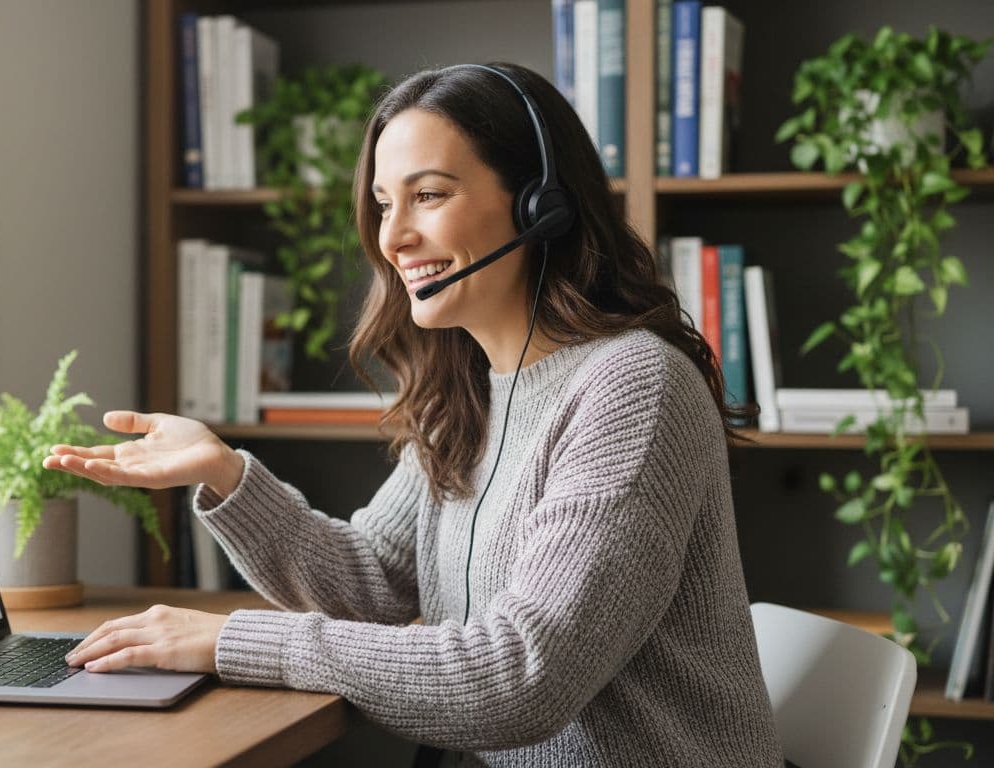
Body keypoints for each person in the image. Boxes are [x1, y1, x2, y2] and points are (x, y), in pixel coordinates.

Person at [44, 62, 782, 766]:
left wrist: (232, 640)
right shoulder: (466, 389)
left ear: (540, 206)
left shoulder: (633, 387)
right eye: (384, 204)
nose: (393, 238)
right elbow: (370, 585)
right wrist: (227, 474)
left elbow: (522, 678)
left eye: (428, 196)